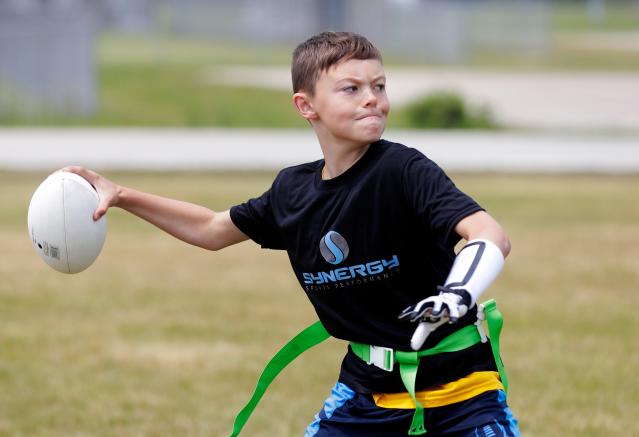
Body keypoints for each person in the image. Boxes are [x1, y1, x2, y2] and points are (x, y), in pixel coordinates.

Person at [64, 32, 520, 436]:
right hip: (368, 392)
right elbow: (210, 228)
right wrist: (121, 195)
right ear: (306, 106)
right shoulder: (292, 192)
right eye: (352, 89)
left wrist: (458, 292)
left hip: (463, 392)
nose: (372, 99)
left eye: (379, 87)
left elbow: (488, 234)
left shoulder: (403, 169)